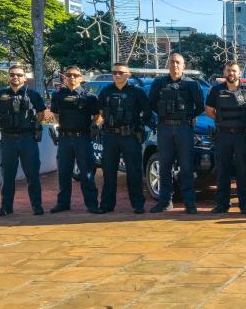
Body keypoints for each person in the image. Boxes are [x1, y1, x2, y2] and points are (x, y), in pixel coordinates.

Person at [147, 53, 204, 214]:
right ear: (168, 64)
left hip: (184, 129)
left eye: (178, 62)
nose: (175, 65)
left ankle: (189, 203)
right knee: (164, 167)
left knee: (186, 167)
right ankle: (165, 202)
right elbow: (150, 103)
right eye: (171, 62)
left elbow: (200, 106)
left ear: (184, 65)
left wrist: (189, 117)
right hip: (165, 128)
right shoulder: (158, 83)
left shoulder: (192, 84)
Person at [0, 65, 47, 216]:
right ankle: (6, 207)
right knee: (7, 175)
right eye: (12, 74)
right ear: (8, 77)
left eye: (19, 75)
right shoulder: (0, 94)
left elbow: (41, 113)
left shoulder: (33, 94)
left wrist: (31, 125)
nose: (15, 77)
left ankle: (37, 206)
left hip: (27, 138)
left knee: (32, 174)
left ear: (24, 77)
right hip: (8, 139)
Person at [205, 61, 246, 214]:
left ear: (239, 73)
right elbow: (209, 110)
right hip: (223, 135)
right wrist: (221, 121)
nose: (231, 73)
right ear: (224, 72)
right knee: (223, 170)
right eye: (228, 70)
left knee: (244, 170)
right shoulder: (215, 90)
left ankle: (245, 204)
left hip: (243, 135)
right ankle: (222, 204)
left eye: (234, 71)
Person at [97, 63, 150, 214]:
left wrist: (139, 127)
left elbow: (146, 112)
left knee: (134, 172)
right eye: (114, 72)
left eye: (120, 72)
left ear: (128, 75)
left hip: (130, 136)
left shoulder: (137, 92)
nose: (117, 75)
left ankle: (138, 204)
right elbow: (100, 111)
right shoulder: (106, 91)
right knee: (109, 171)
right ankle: (106, 205)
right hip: (110, 135)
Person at [49, 66, 101, 214]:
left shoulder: (89, 97)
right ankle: (63, 203)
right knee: (64, 173)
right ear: (65, 77)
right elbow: (56, 115)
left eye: (76, 75)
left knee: (87, 174)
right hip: (65, 139)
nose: (72, 78)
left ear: (81, 78)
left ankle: (92, 204)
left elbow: (98, 116)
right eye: (69, 75)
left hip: (83, 139)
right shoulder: (58, 95)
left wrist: (89, 127)